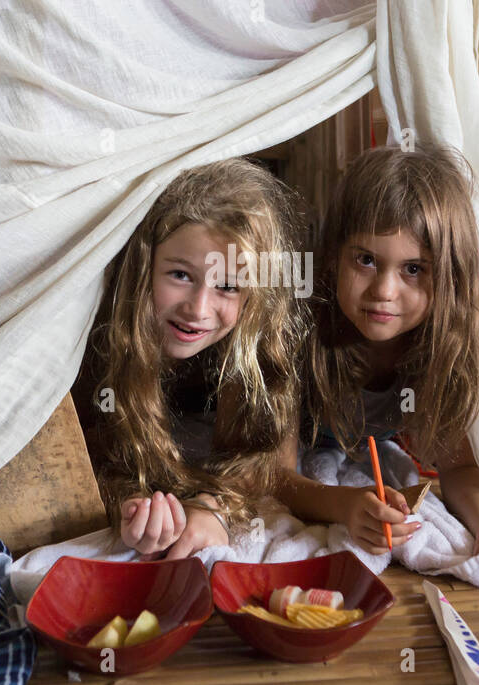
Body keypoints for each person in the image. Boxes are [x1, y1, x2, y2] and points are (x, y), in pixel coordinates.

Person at [277, 145, 479, 582]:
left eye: (413, 269)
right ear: (334, 255)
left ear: (449, 275)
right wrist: (345, 506)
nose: (384, 290)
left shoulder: (440, 347)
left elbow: (460, 468)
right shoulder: (298, 331)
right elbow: (276, 477)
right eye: (365, 260)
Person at [75, 158, 306, 560]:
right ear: (145, 267)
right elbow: (92, 458)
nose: (199, 308)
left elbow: (271, 469)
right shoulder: (94, 345)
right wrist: (129, 505)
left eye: (228, 286)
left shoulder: (255, 355)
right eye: (180, 275)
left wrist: (214, 506)